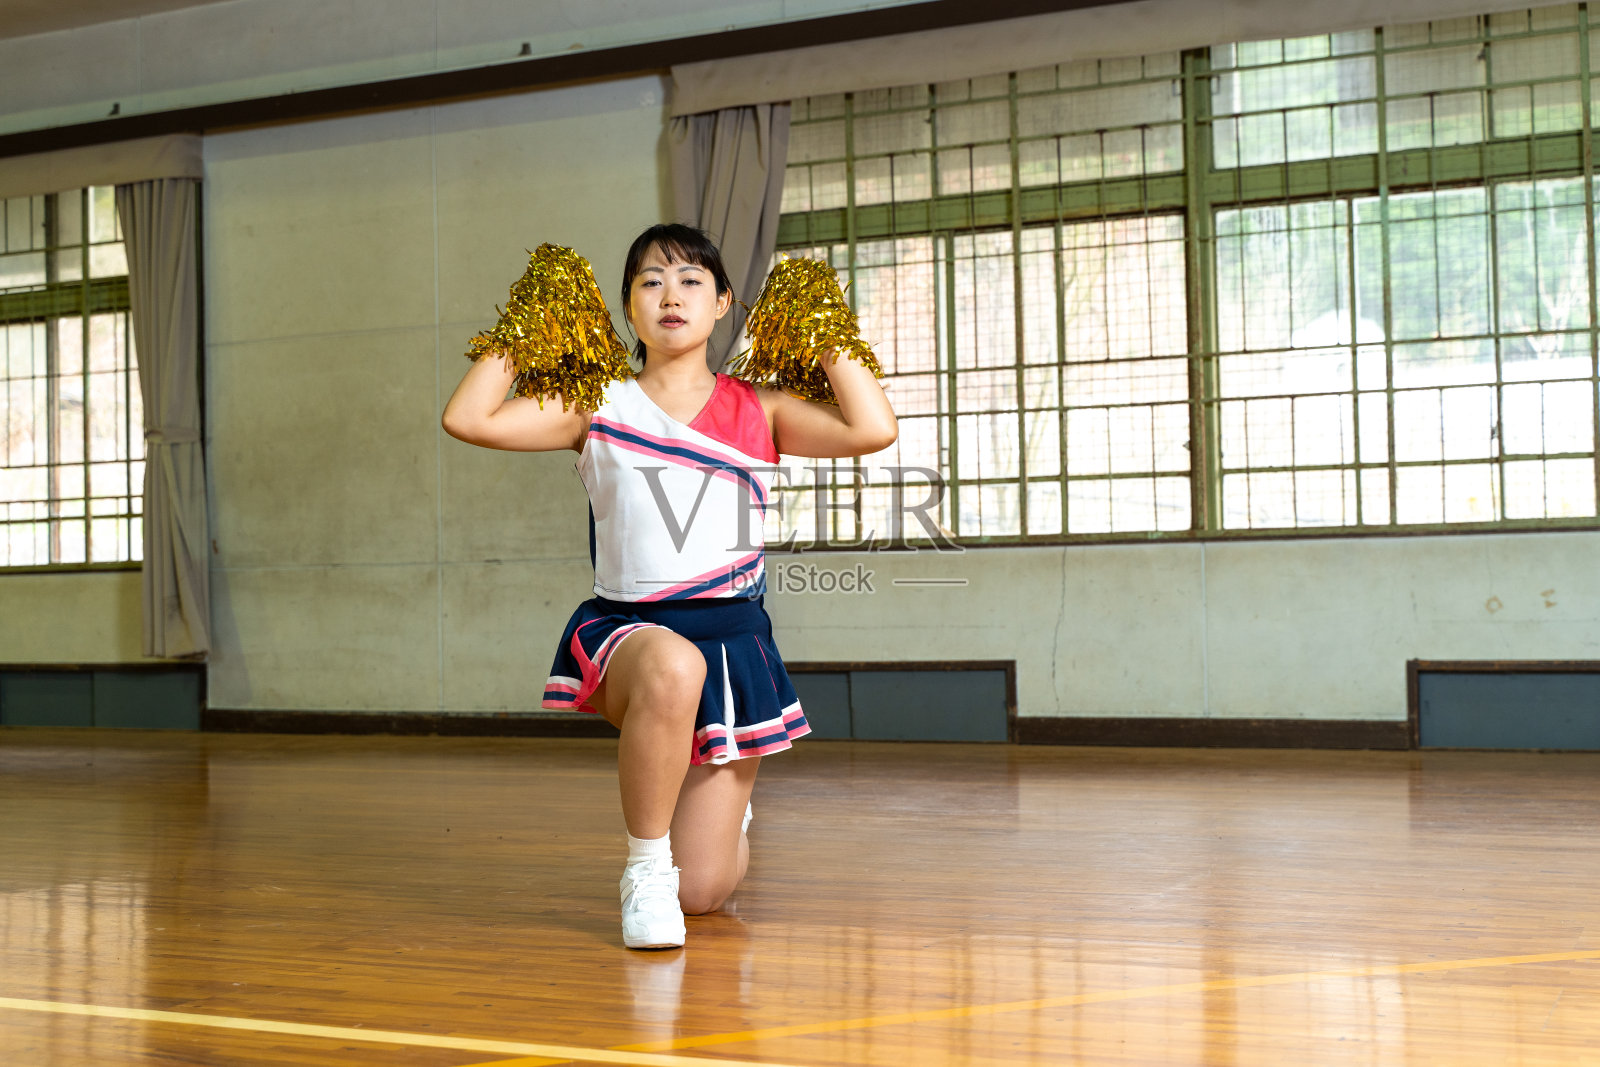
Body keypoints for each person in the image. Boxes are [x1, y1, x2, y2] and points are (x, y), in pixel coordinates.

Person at [442, 224, 897, 949]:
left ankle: (703, 845)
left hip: (735, 644)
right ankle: (644, 868)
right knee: (672, 664)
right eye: (651, 281)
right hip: (631, 633)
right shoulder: (597, 403)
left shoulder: (762, 410)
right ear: (628, 308)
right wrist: (532, 319)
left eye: (691, 280)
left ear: (723, 304)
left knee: (707, 892)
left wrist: (820, 319)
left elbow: (873, 427)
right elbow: (467, 417)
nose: (671, 294)